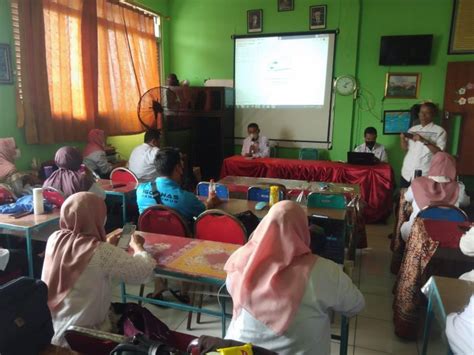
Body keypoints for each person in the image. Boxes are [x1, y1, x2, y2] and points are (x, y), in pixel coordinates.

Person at [224, 201, 365, 355]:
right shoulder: (324, 271)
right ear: (303, 230)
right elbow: (355, 305)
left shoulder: (240, 259)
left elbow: (231, 287)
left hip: (239, 351)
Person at [41, 192, 156, 347]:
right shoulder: (100, 252)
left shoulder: (54, 238)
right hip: (86, 336)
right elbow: (143, 271)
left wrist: (107, 245)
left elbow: (85, 259)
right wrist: (138, 247)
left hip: (54, 328)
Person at [400, 152, 470, 241]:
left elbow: (406, 197)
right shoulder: (458, 187)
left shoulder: (418, 183)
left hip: (419, 235)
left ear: (432, 164)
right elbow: (466, 202)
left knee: (405, 226)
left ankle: (405, 252)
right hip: (449, 236)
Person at [136, 147, 221, 219]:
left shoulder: (140, 190)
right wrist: (210, 200)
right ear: (177, 168)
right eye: (182, 165)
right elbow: (204, 210)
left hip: (149, 237)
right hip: (180, 238)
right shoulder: (186, 198)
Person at [399, 102, 447, 188]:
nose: (423, 115)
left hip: (425, 173)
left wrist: (424, 140)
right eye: (421, 112)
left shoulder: (440, 131)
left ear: (433, 114)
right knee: (404, 199)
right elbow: (405, 148)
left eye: (427, 113)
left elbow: (440, 153)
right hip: (407, 172)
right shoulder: (412, 129)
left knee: (421, 200)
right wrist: (402, 139)